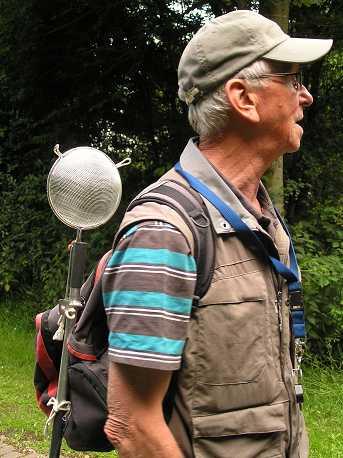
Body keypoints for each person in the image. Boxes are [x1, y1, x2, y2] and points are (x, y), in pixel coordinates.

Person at [103, 10, 332, 458]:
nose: (305, 96)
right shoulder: (163, 232)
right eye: (292, 79)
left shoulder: (261, 216)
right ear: (243, 98)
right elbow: (131, 425)